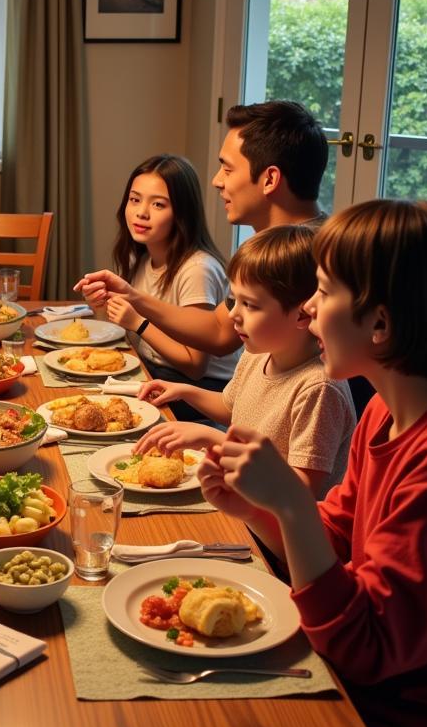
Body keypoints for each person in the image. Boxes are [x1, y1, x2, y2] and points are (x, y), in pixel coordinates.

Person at [173, 199, 427, 727]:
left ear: (380, 325)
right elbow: (334, 536)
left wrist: (286, 500)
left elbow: (367, 647)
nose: (308, 309)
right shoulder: (386, 413)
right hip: (359, 688)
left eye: (322, 290)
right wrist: (251, 507)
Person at [75, 100, 328, 359]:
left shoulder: (307, 254)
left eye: (228, 169)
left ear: (270, 179)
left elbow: (219, 338)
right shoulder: (286, 242)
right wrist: (133, 296)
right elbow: (219, 327)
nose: (216, 181)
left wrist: (136, 309)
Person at [135, 225, 354, 497]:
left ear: (302, 315)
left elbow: (302, 491)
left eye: (249, 305)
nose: (233, 315)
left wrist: (215, 439)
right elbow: (231, 407)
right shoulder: (257, 352)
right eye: (233, 301)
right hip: (244, 497)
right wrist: (184, 392)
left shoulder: (318, 389)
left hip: (278, 531)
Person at [93, 155, 239, 422]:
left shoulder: (197, 270)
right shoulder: (142, 257)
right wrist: (102, 305)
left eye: (158, 204)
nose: (141, 212)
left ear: (182, 212)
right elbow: (124, 333)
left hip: (202, 393)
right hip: (156, 374)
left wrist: (138, 322)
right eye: (134, 199)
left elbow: (194, 366)